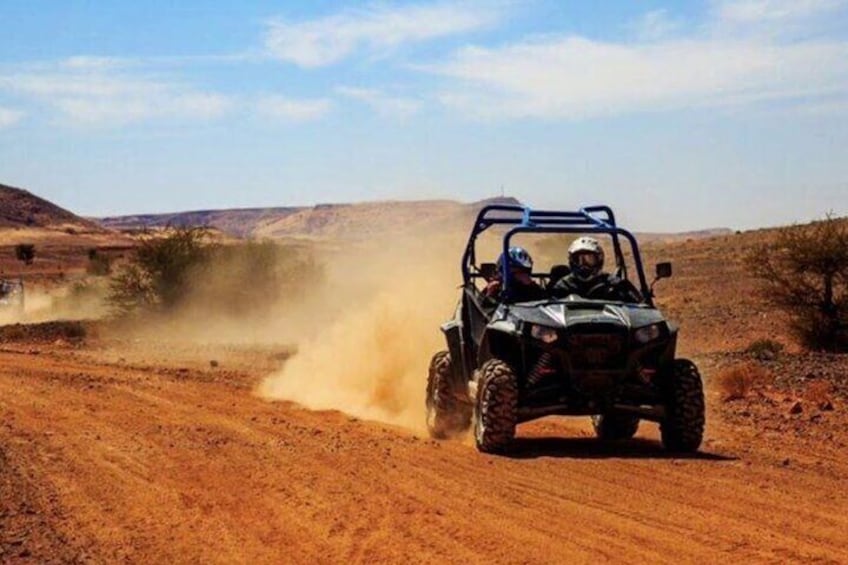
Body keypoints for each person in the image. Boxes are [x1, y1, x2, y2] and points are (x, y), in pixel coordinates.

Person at [551, 236, 642, 302]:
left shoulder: (615, 284)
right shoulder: (564, 285)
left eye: (589, 260)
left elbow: (639, 307)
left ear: (599, 260)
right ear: (571, 261)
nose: (583, 265)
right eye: (578, 260)